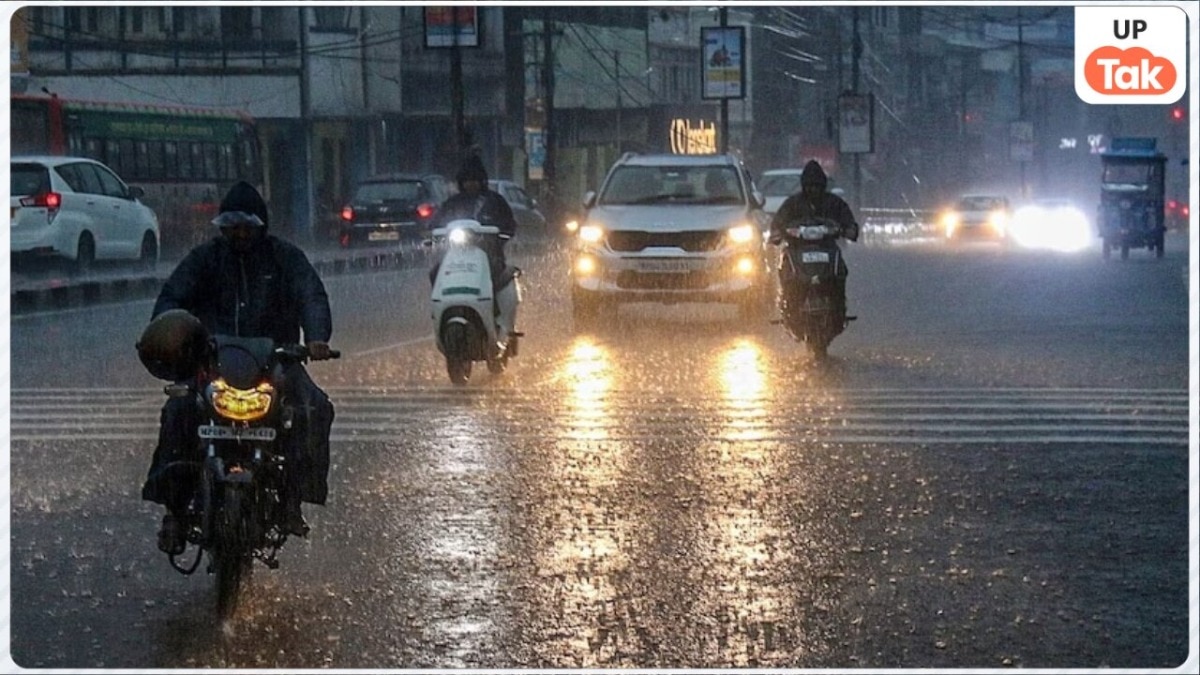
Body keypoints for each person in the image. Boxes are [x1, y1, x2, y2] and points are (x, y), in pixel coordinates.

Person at [140, 181, 336, 555]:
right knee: (178, 411)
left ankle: (294, 498)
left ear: (261, 225)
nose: (240, 233)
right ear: (223, 228)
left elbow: (311, 295)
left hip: (275, 363)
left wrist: (316, 338)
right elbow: (172, 297)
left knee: (315, 409)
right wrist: (166, 328)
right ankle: (174, 511)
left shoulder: (285, 258)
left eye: (247, 226)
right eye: (233, 226)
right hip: (212, 364)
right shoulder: (204, 260)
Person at [767, 159, 860, 324]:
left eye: (817, 186)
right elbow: (778, 223)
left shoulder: (834, 203)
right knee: (787, 271)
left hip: (827, 247)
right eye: (810, 186)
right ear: (804, 186)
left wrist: (849, 229)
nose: (813, 190)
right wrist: (777, 233)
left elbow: (848, 221)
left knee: (840, 272)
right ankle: (790, 304)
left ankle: (838, 307)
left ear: (823, 186)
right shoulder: (793, 204)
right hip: (796, 248)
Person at [431, 154, 518, 284]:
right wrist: (431, 231)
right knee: (435, 274)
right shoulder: (453, 202)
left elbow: (509, 223)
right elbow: (438, 221)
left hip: (489, 254)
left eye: (474, 180)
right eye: (467, 180)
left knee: (495, 274)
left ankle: (493, 302)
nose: (470, 184)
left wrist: (502, 235)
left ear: (482, 181)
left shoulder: (495, 201)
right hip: (456, 256)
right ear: (461, 182)